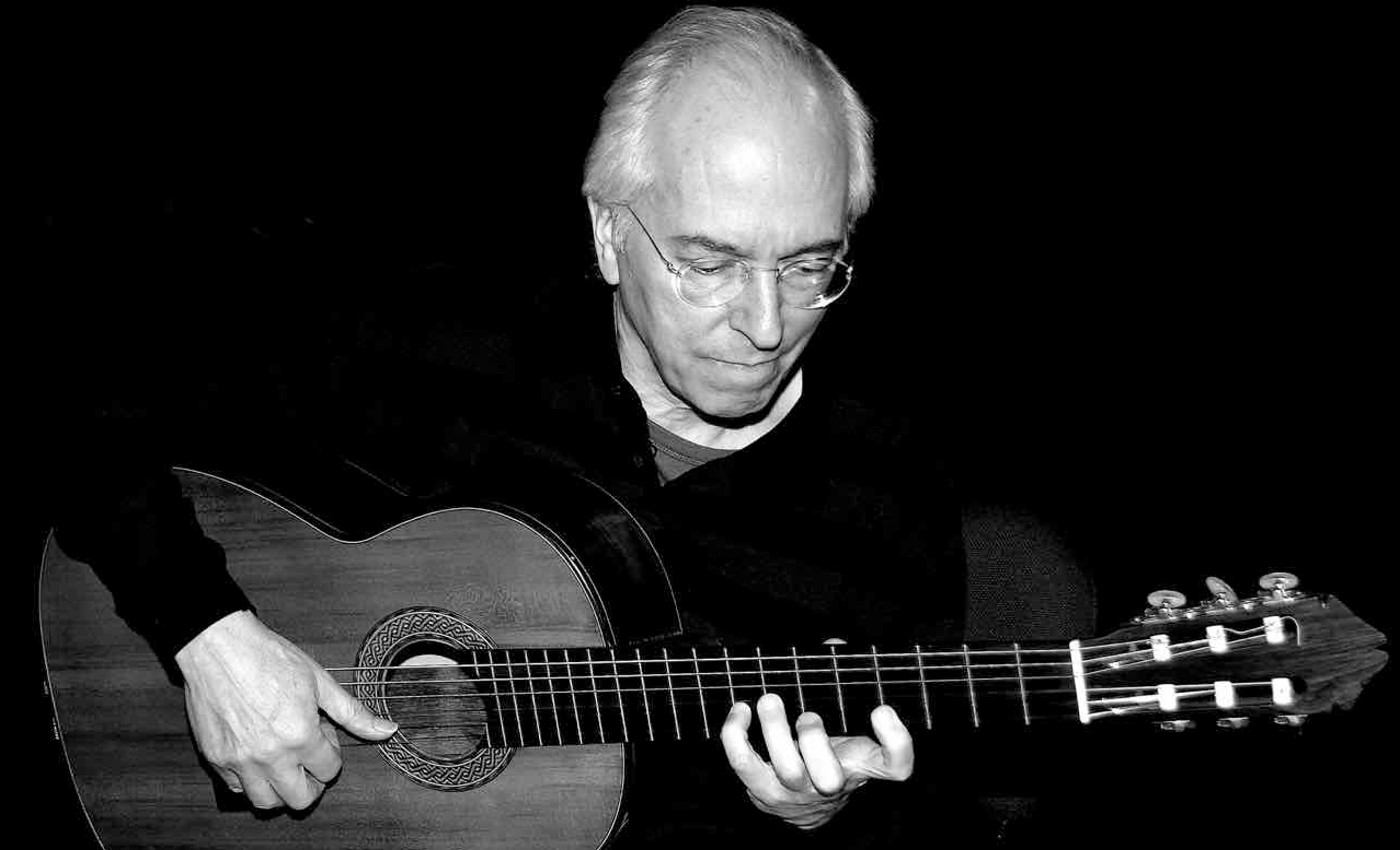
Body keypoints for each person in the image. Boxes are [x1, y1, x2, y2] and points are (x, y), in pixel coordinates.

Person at [52, 6, 972, 847]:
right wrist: (207, 633)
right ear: (610, 233)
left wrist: (821, 814)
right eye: (710, 264)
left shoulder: (892, 499)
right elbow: (89, 394)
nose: (766, 325)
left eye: (810, 267)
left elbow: (928, 809)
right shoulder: (443, 346)